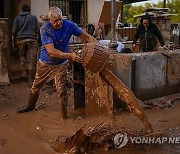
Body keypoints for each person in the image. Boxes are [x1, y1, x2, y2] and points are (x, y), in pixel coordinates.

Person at [17, 7, 97, 118]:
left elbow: (86, 36)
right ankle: (30, 105)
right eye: (55, 21)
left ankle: (63, 116)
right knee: (36, 86)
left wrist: (98, 46)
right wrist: (71, 55)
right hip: (45, 62)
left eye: (60, 19)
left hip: (61, 63)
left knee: (62, 90)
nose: (59, 23)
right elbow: (52, 52)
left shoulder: (69, 25)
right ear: (50, 20)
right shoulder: (45, 29)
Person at [12, 4, 40, 83]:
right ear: (29, 11)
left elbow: (14, 31)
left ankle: (23, 74)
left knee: (22, 56)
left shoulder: (17, 18)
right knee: (32, 60)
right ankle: (31, 80)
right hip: (32, 40)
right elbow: (38, 29)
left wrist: (13, 42)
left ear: (21, 10)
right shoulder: (33, 17)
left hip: (20, 40)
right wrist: (40, 40)